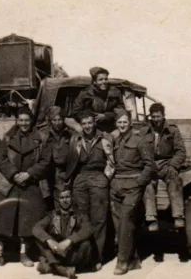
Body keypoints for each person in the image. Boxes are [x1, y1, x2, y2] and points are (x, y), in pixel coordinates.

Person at [0, 107, 51, 269]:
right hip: (8, 184)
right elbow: (2, 158)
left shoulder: (41, 138)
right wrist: (13, 174)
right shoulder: (8, 136)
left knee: (27, 220)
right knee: (1, 217)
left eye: (27, 120)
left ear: (31, 121)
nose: (24, 123)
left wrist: (29, 174)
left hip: (30, 183)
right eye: (21, 120)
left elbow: (46, 161)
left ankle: (24, 255)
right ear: (17, 121)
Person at [65, 110, 115, 271]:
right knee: (81, 219)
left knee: (99, 220)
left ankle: (97, 258)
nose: (87, 126)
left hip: (98, 178)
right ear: (81, 125)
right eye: (84, 123)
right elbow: (71, 161)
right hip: (80, 179)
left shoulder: (104, 138)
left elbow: (111, 162)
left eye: (90, 123)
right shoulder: (76, 139)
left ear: (95, 123)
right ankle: (82, 256)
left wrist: (105, 178)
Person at [110, 108, 154, 275]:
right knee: (119, 225)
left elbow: (149, 165)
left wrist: (138, 183)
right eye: (119, 122)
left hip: (132, 186)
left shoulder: (139, 140)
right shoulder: (114, 139)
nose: (122, 125)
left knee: (126, 221)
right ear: (116, 124)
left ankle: (122, 261)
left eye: (125, 122)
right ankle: (133, 259)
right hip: (116, 186)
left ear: (130, 123)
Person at [141, 103, 186, 231]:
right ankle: (151, 218)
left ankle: (178, 216)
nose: (156, 119)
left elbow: (180, 151)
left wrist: (173, 165)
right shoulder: (144, 131)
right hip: (150, 164)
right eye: (153, 117)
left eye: (158, 116)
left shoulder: (172, 130)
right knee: (147, 184)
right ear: (150, 117)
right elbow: (139, 149)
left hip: (167, 163)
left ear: (163, 116)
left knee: (174, 180)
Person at [32, 188, 93, 279]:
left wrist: (69, 241)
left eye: (67, 197)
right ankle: (59, 268)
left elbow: (88, 229)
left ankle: (51, 266)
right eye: (62, 198)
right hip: (57, 252)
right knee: (39, 238)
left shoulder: (80, 213)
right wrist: (50, 241)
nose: (65, 200)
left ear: (72, 198)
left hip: (71, 253)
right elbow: (36, 228)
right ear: (58, 200)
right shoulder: (52, 214)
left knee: (86, 244)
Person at [72, 67, 124, 133]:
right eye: (100, 80)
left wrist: (106, 116)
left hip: (111, 127)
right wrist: (90, 117)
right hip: (90, 128)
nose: (104, 82)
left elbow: (122, 112)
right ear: (94, 82)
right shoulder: (85, 93)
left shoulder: (115, 92)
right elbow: (76, 112)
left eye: (106, 79)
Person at [43, 106, 73, 208]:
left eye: (60, 119)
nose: (57, 122)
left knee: (66, 196)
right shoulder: (46, 134)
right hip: (51, 170)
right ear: (51, 121)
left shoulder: (69, 133)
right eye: (54, 120)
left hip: (66, 170)